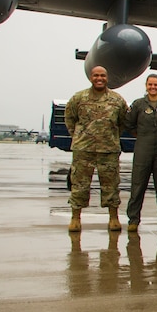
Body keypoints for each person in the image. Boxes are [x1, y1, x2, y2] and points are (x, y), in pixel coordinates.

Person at [64, 65, 128, 232]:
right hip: (83, 149)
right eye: (96, 76)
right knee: (79, 185)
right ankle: (75, 217)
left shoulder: (117, 100)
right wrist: (79, 136)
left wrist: (110, 136)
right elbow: (70, 119)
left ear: (107, 78)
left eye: (102, 76)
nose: (99, 79)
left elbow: (122, 122)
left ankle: (113, 217)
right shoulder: (79, 98)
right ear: (91, 77)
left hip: (108, 150)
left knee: (111, 185)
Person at [123, 74, 157, 232]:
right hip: (142, 149)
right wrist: (140, 135)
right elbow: (128, 123)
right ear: (146, 86)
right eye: (150, 84)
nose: (153, 87)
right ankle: (133, 219)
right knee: (138, 186)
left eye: (156, 85)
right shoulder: (138, 104)